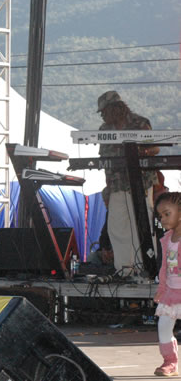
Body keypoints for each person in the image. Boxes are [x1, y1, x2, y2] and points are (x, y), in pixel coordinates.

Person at [97, 90, 159, 277]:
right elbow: (104, 159)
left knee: (142, 225)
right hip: (116, 184)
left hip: (141, 183)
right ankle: (124, 270)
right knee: (117, 227)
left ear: (116, 108)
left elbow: (155, 148)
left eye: (104, 111)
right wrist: (107, 189)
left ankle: (146, 268)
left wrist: (144, 153)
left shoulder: (140, 123)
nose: (103, 115)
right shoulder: (104, 130)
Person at [153, 192, 181, 376]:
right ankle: (170, 362)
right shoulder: (166, 240)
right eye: (160, 216)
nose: (162, 219)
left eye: (166, 213)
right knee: (163, 326)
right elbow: (166, 267)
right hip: (172, 292)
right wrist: (161, 288)